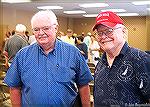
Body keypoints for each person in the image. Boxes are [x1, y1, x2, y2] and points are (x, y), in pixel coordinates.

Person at [4, 10, 93, 107]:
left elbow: (83, 85)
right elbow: (14, 88)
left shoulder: (73, 53)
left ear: (56, 28)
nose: (41, 33)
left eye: (46, 28)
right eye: (36, 29)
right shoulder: (22, 55)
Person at [92, 11, 150, 106]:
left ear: (123, 31)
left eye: (109, 31)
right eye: (99, 33)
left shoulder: (141, 59)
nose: (103, 36)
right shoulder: (100, 64)